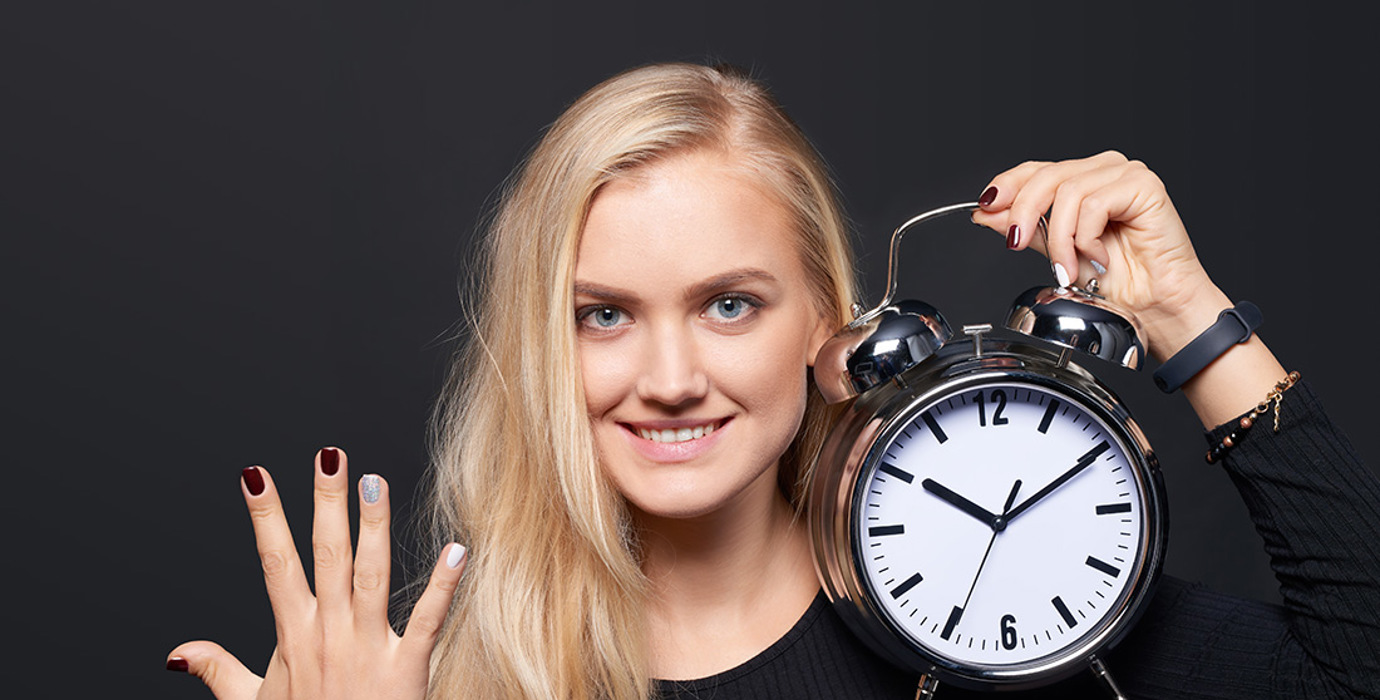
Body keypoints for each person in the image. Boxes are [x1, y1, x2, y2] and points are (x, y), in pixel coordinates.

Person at [166, 63, 1380, 699]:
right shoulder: (425, 688)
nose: (672, 377)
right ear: (543, 342)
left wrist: (1186, 313)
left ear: (827, 322)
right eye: (602, 316)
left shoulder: (1016, 620)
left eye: (729, 303)